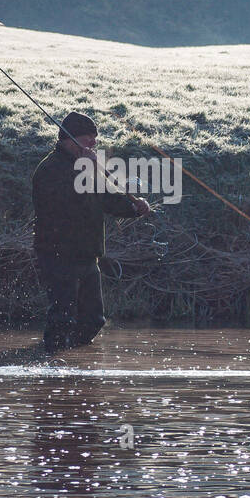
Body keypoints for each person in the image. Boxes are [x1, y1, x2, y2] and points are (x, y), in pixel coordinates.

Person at [32, 111, 150, 352]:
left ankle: (74, 365)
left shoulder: (86, 168)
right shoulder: (49, 169)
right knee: (62, 317)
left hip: (87, 256)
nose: (94, 144)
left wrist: (133, 207)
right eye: (89, 138)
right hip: (58, 255)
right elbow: (65, 200)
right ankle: (52, 367)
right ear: (70, 139)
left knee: (93, 320)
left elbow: (105, 200)